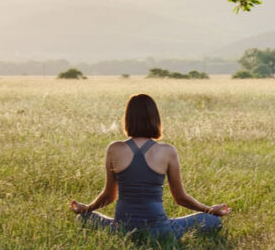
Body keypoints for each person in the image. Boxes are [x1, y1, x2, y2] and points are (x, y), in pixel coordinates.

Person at [70, 93, 230, 238]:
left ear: (128, 119)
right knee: (212, 221)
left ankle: (119, 230)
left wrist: (87, 208)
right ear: (155, 119)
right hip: (159, 230)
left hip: (122, 229)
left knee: (83, 218)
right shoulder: (167, 151)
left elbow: (108, 196)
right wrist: (210, 210)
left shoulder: (114, 149)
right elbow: (181, 198)